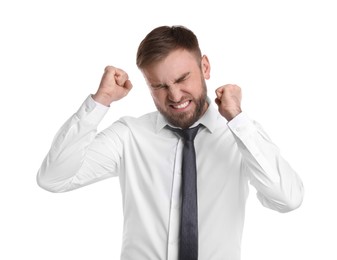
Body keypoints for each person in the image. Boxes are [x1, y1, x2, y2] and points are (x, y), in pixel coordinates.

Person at [37, 25, 304, 260]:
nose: (175, 95)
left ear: (205, 67)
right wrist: (100, 101)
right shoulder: (130, 135)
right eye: (159, 86)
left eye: (182, 79)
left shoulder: (241, 136)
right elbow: (53, 178)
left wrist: (237, 119)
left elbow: (287, 199)